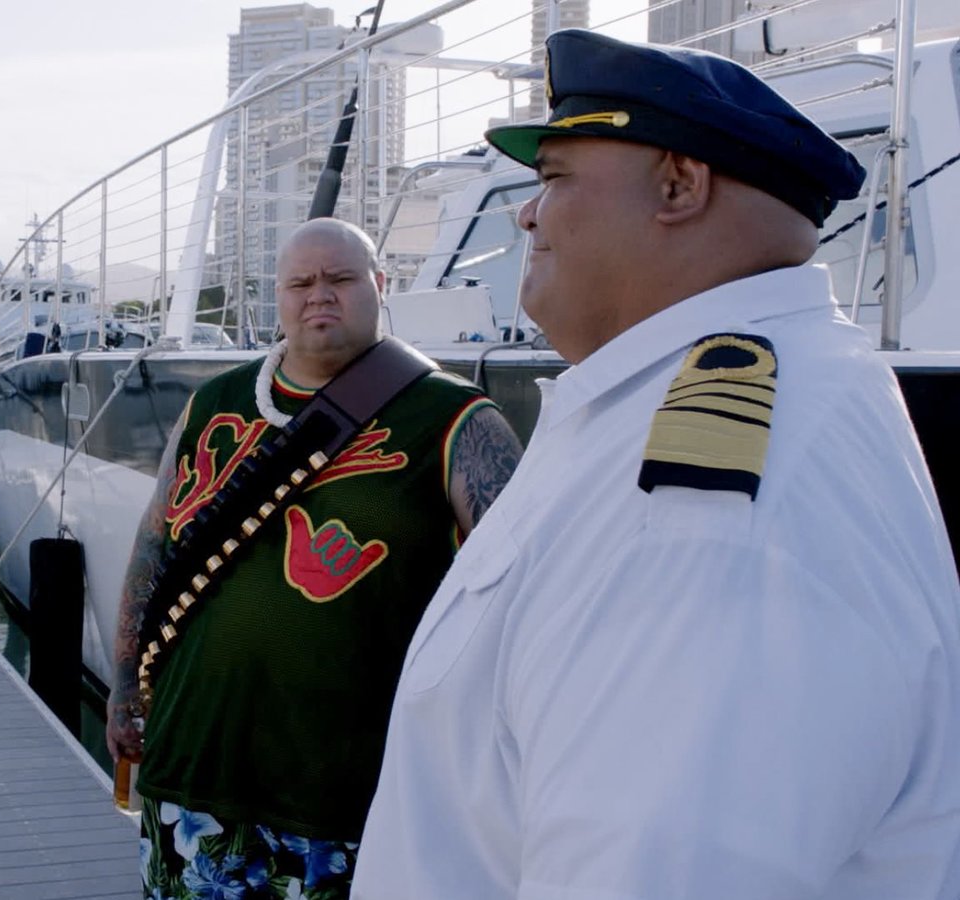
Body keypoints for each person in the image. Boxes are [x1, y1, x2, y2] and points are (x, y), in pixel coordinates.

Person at [355, 29, 960, 898]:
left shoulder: (704, 520)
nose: (527, 213)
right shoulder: (704, 409)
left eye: (555, 177)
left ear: (678, 185)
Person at [105, 217, 524, 897]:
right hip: (187, 777)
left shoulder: (456, 421)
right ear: (279, 296)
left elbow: (523, 605)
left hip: (342, 804)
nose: (318, 295)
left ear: (379, 285)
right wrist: (125, 681)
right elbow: (155, 546)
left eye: (340, 279)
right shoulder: (212, 404)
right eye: (300, 283)